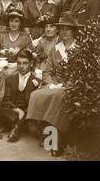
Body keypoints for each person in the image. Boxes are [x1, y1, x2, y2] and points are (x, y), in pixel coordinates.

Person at [26, 13, 81, 156]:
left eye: (67, 29)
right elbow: (47, 70)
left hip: (71, 86)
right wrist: (51, 83)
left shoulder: (80, 49)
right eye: (62, 29)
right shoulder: (55, 49)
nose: (64, 32)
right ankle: (44, 133)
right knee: (36, 95)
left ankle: (57, 141)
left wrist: (66, 85)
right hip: (54, 85)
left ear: (74, 31)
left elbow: (81, 73)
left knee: (59, 97)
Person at [0, 50, 41, 142]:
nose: (21, 66)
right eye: (19, 63)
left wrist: (23, 112)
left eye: (25, 63)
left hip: (27, 112)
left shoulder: (37, 81)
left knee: (30, 113)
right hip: (13, 111)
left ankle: (15, 129)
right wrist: (18, 111)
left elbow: (34, 105)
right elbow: (7, 100)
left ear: (31, 63)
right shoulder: (10, 79)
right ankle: (20, 124)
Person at [0, 9, 32, 75]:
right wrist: (2, 52)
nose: (13, 24)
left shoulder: (25, 37)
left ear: (20, 23)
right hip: (3, 66)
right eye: (11, 21)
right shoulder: (1, 35)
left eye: (16, 21)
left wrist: (20, 52)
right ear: (8, 22)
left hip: (19, 68)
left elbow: (28, 54)